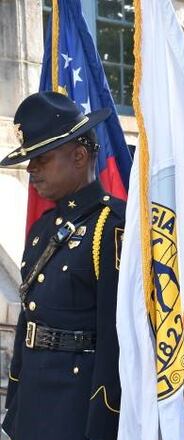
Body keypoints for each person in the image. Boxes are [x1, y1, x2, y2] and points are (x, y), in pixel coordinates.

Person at [0, 91, 125, 439]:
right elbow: (30, 315)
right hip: (34, 397)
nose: (31, 169)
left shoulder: (112, 226)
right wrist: (16, 402)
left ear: (80, 156)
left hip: (77, 404)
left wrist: (103, 417)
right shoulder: (42, 230)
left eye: (42, 158)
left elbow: (117, 335)